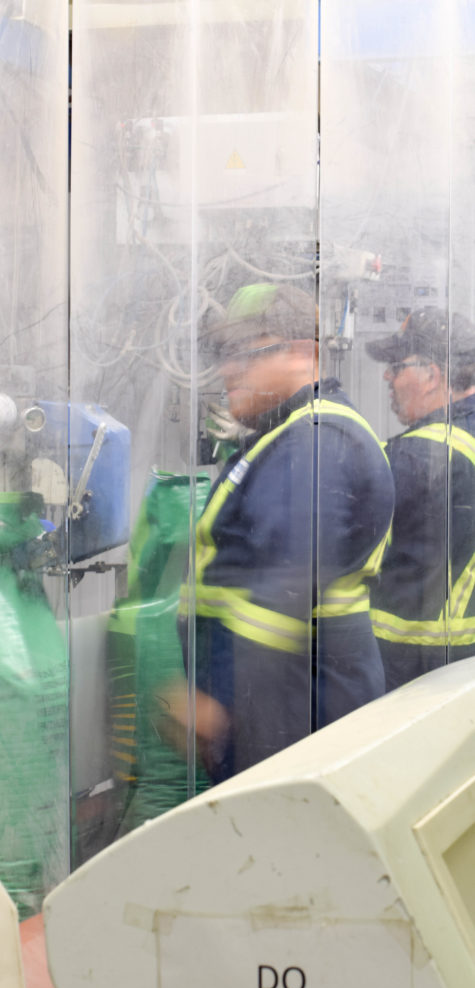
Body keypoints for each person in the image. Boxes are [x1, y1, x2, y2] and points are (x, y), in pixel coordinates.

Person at [169, 283, 395, 783]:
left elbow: (282, 593)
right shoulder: (288, 438)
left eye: (245, 354)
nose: (228, 370)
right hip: (281, 721)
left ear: (302, 353)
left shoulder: (316, 442)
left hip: (292, 730)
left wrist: (222, 711)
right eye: (223, 355)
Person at [366, 307, 475, 691]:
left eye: (396, 366)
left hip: (414, 671)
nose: (387, 376)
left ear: (433, 375)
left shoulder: (420, 457)